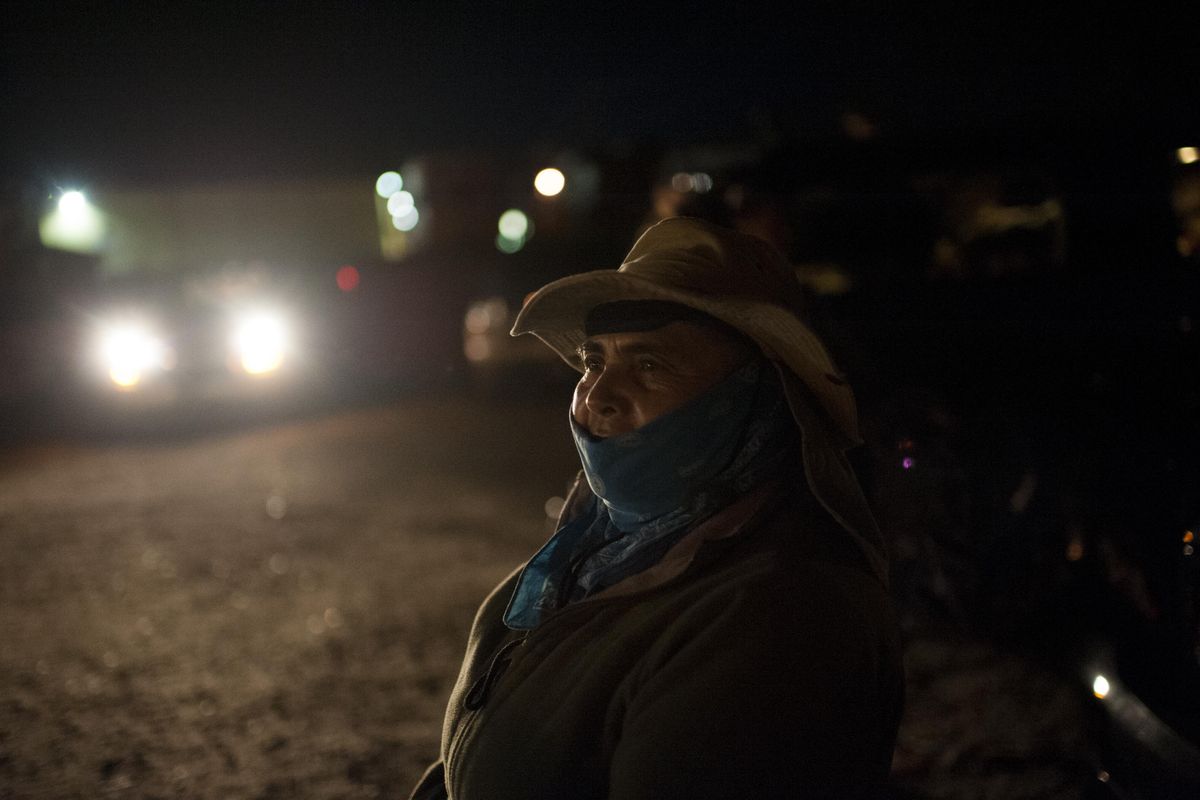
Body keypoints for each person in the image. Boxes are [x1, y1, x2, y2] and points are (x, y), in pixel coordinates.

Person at [410, 217, 903, 799]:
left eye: (649, 365)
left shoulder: (779, 618)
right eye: (594, 361)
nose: (597, 395)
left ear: (755, 399)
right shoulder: (590, 559)